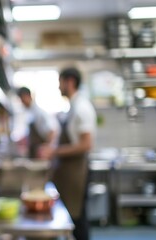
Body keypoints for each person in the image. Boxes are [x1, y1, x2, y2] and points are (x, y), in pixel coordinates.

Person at [39, 67, 96, 240]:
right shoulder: (73, 107)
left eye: (60, 82)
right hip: (70, 172)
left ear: (70, 81)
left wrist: (54, 151)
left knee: (78, 220)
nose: (59, 87)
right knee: (72, 218)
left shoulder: (82, 107)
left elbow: (86, 144)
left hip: (78, 172)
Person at [17, 87, 58, 158]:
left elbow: (52, 130)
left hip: (44, 153)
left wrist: (47, 147)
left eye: (22, 98)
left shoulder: (39, 112)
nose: (21, 102)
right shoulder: (30, 112)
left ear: (27, 96)